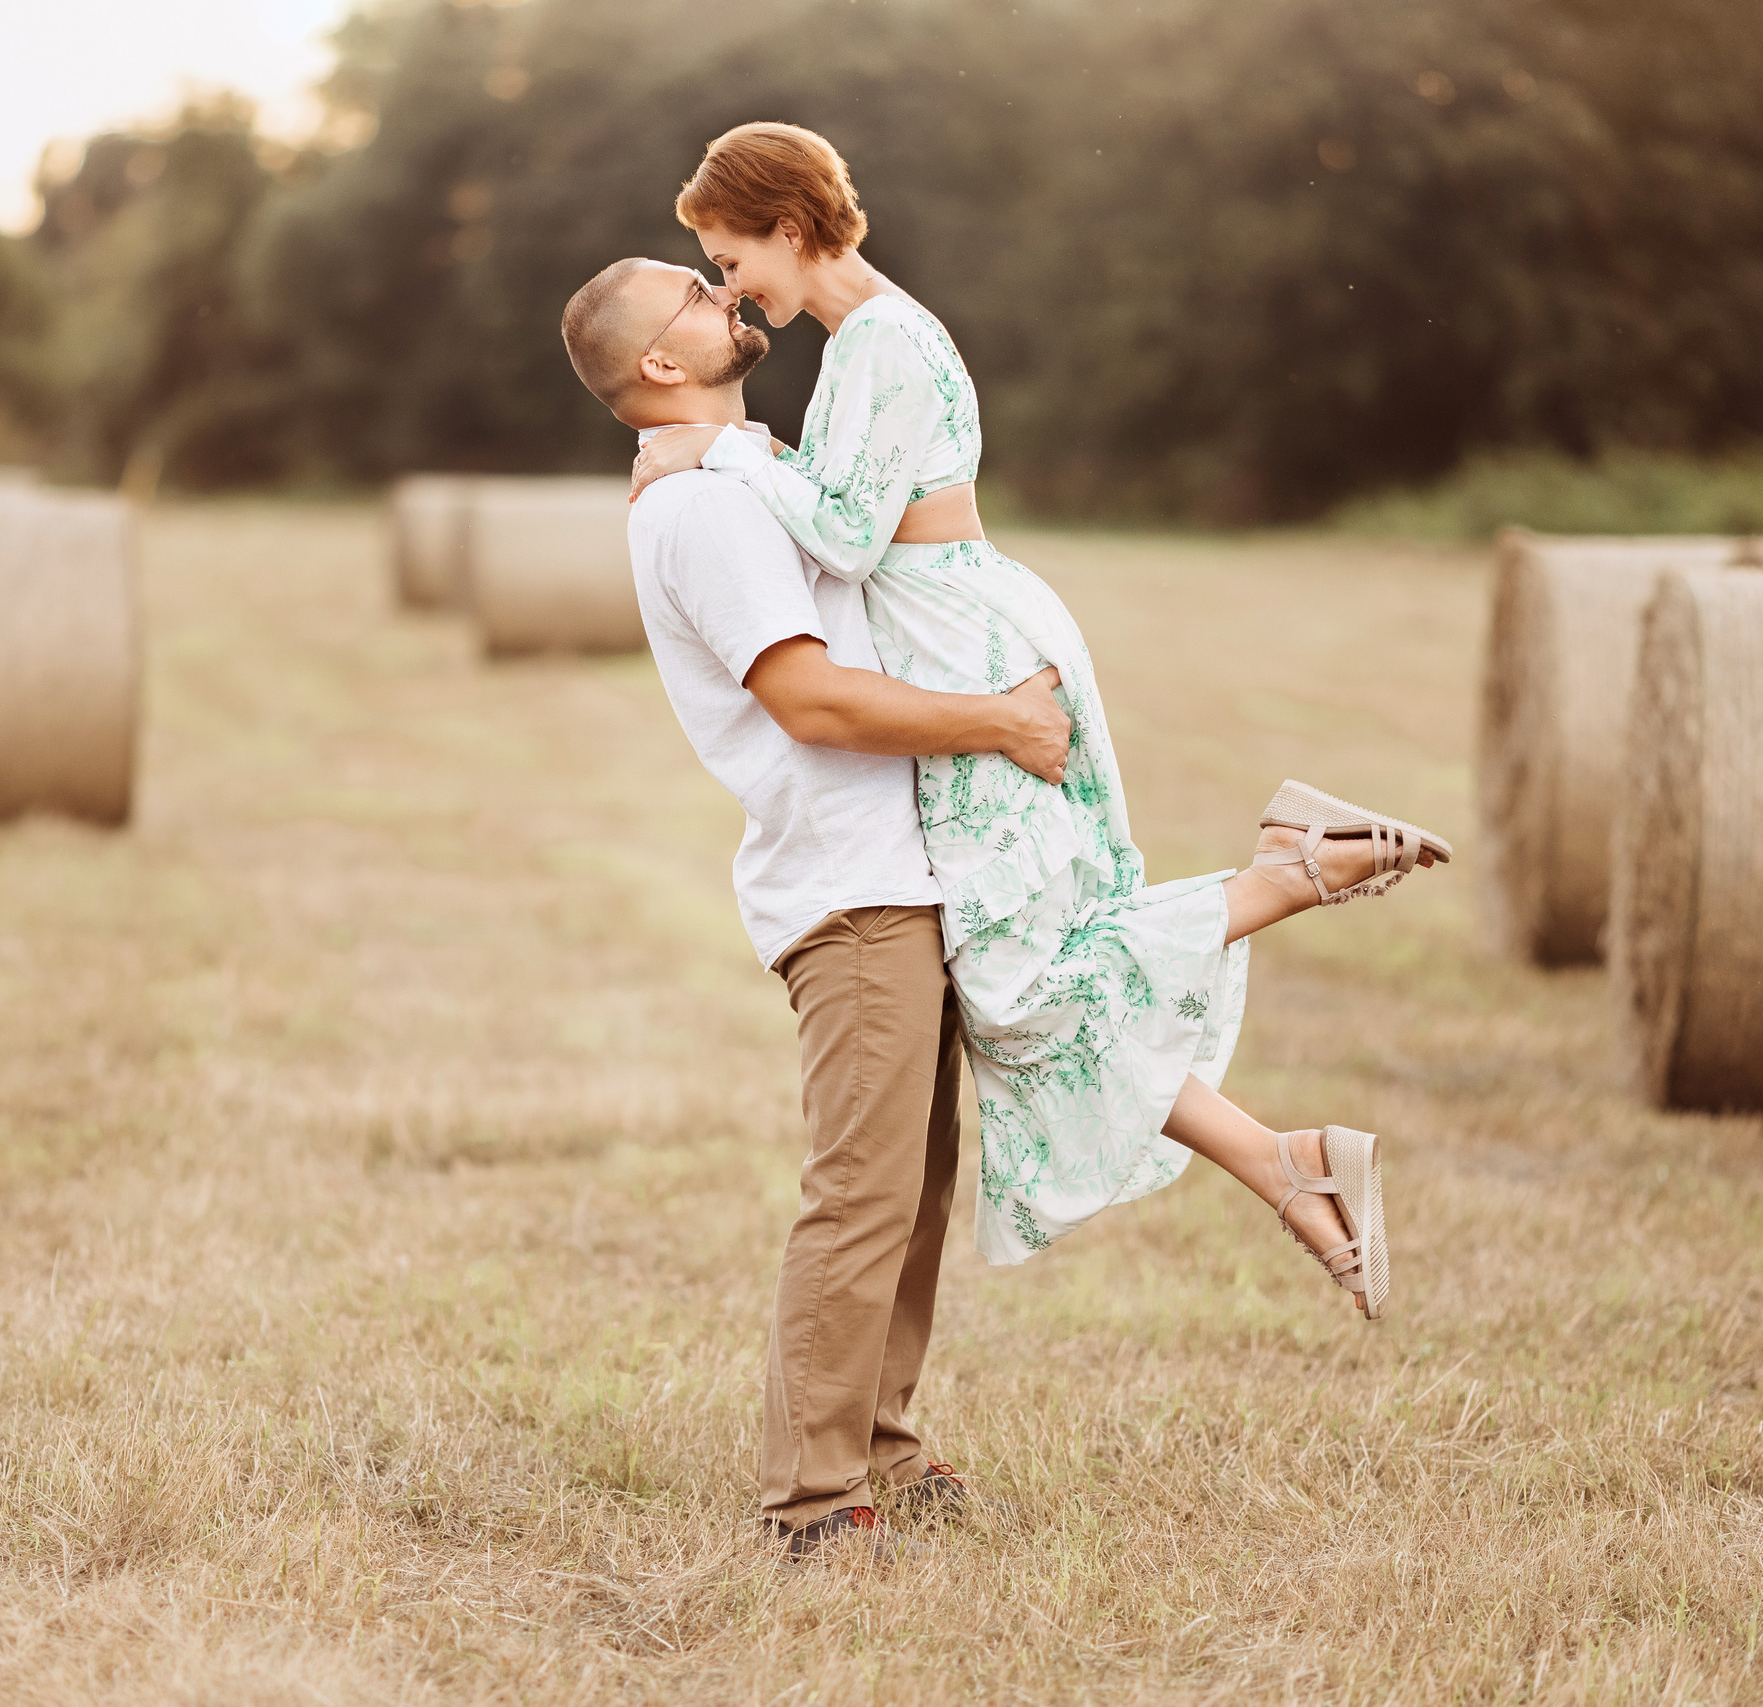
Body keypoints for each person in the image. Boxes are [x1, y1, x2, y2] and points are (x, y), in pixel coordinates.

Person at [622, 123, 1451, 1303]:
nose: (730, 288)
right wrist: (742, 450)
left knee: (1022, 976)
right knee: (1030, 967)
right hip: (965, 624)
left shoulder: (879, 343)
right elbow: (853, 504)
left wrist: (718, 449)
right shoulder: (878, 337)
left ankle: (1287, 876)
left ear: (789, 230)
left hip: (968, 643)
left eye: (729, 256)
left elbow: (849, 536)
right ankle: (1285, 1160)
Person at [562, 254, 1072, 1560]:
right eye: (692, 286)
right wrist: (1001, 723)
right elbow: (812, 698)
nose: (720, 287)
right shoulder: (703, 515)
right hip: (850, 894)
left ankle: (882, 1446)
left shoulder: (739, 476)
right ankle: (812, 1498)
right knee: (862, 1195)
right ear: (660, 366)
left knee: (910, 1191)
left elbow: (875, 331)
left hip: (905, 871)